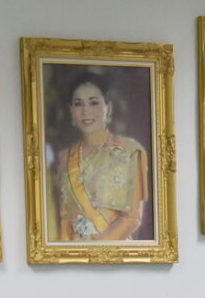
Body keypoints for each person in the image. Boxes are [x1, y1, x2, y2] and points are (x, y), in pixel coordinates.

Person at [52, 72, 150, 243]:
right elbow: (65, 220)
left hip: (113, 253)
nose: (85, 111)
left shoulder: (128, 152)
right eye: (78, 104)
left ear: (108, 108)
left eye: (94, 102)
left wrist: (95, 248)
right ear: (71, 111)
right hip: (73, 253)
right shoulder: (64, 157)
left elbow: (132, 218)